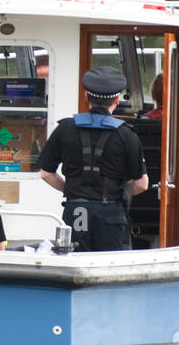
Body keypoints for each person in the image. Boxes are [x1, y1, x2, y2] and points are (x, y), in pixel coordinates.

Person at [38, 67, 149, 251]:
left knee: (73, 259)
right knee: (113, 265)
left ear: (86, 96)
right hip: (111, 215)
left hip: (75, 211)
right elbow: (142, 184)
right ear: (116, 100)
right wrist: (121, 193)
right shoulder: (126, 134)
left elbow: (46, 173)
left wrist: (72, 191)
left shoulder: (65, 128)